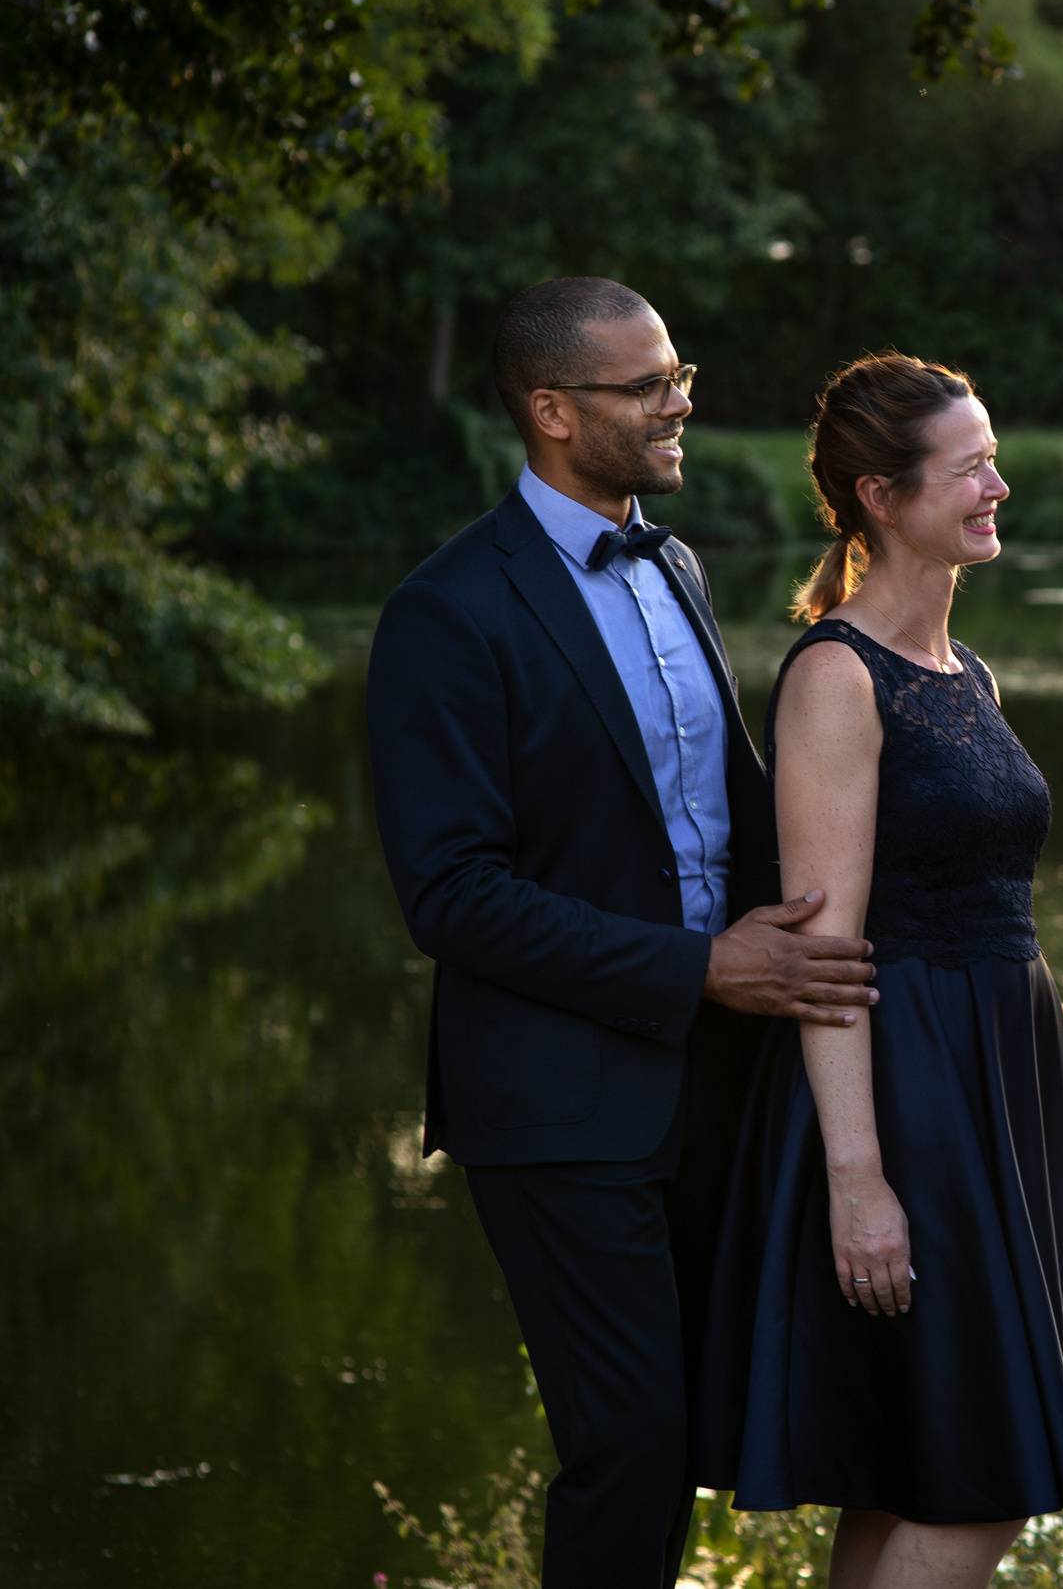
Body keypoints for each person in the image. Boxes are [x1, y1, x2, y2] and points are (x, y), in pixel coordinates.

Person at [365, 277, 880, 1589]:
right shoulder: (447, 611)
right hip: (552, 1100)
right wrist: (705, 965)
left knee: (684, 1432)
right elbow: (454, 895)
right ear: (550, 410)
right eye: (645, 385)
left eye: (679, 372)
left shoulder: (677, 563)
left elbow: (723, 813)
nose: (681, 401)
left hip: (709, 1078)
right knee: (629, 1439)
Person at [698, 353, 1063, 1589]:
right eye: (969, 464)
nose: (998, 481)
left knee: (918, 1465)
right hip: (907, 1090)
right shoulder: (836, 677)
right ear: (882, 496)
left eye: (993, 454)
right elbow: (823, 951)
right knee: (984, 1478)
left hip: (998, 1079)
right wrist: (858, 1178)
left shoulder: (962, 669)